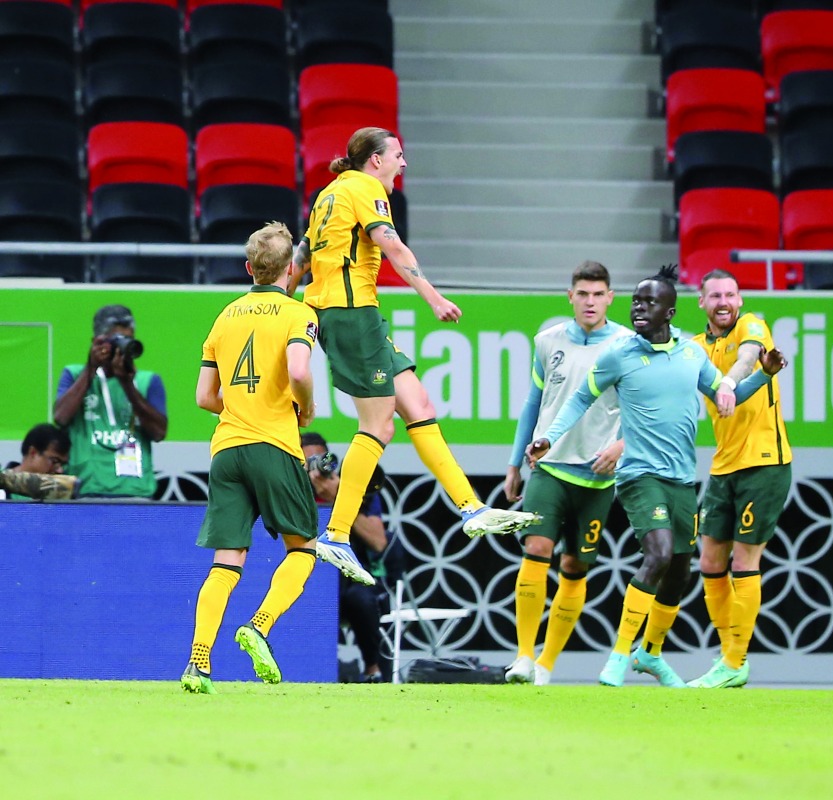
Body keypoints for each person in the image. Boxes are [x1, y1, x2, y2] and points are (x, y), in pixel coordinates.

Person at [288, 126, 537, 586]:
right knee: (378, 425)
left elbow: (301, 256)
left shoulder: (329, 193)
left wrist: (284, 301)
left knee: (419, 405)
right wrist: (434, 298)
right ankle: (337, 534)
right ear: (375, 160)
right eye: (398, 155)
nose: (403, 164)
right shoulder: (365, 188)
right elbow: (394, 247)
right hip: (351, 315)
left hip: (350, 316)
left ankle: (471, 507)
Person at [528, 264, 788, 688]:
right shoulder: (618, 354)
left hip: (682, 478)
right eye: (636, 301)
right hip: (638, 475)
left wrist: (765, 374)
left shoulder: (691, 354)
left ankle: (650, 653)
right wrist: (548, 438)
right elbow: (579, 399)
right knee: (660, 552)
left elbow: (730, 394)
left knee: (681, 570)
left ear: (670, 312)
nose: (638, 309)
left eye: (649, 302)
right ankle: (619, 654)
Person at [181, 221, 322, 695]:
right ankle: (259, 626)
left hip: (226, 450)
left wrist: (240, 408)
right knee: (302, 549)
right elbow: (299, 369)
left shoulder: (225, 316)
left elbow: (204, 396)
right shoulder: (298, 312)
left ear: (249, 268)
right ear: (292, 271)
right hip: (274, 446)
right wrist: (305, 406)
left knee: (227, 561)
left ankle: (198, 663)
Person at [502, 260, 631, 686]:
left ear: (610, 298)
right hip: (550, 467)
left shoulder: (628, 346)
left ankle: (546, 665)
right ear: (570, 297)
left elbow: (640, 410)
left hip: (597, 475)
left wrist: (621, 446)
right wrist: (515, 462)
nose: (590, 302)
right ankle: (522, 655)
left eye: (598, 294)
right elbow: (533, 404)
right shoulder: (547, 342)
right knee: (536, 549)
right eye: (583, 294)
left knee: (574, 568)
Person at [687, 270, 793, 689]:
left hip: (765, 463)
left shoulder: (753, 326)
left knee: (744, 562)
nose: (723, 301)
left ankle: (733, 662)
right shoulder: (695, 348)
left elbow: (749, 356)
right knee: (711, 562)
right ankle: (730, 656)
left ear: (740, 298)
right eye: (714, 295)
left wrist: (734, 379)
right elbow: (706, 390)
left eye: (730, 294)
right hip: (723, 465)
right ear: (702, 303)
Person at [302, 431, 398, 684]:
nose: (315, 468)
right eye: (307, 461)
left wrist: (338, 499)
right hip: (303, 574)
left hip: (346, 577)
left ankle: (373, 669)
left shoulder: (352, 488)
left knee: (362, 599)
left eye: (320, 459)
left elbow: (378, 541)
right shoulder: (288, 489)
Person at [53, 304, 167, 498]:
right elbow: (61, 418)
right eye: (114, 341)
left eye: (127, 340)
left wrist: (127, 383)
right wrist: (90, 368)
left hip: (135, 490)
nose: (121, 348)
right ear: (96, 342)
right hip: (87, 487)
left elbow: (159, 433)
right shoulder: (74, 374)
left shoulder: (148, 380)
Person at [0, 423, 77, 500]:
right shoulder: (2, 487)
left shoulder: (64, 495)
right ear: (33, 453)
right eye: (54, 461)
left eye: (63, 464)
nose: (60, 470)